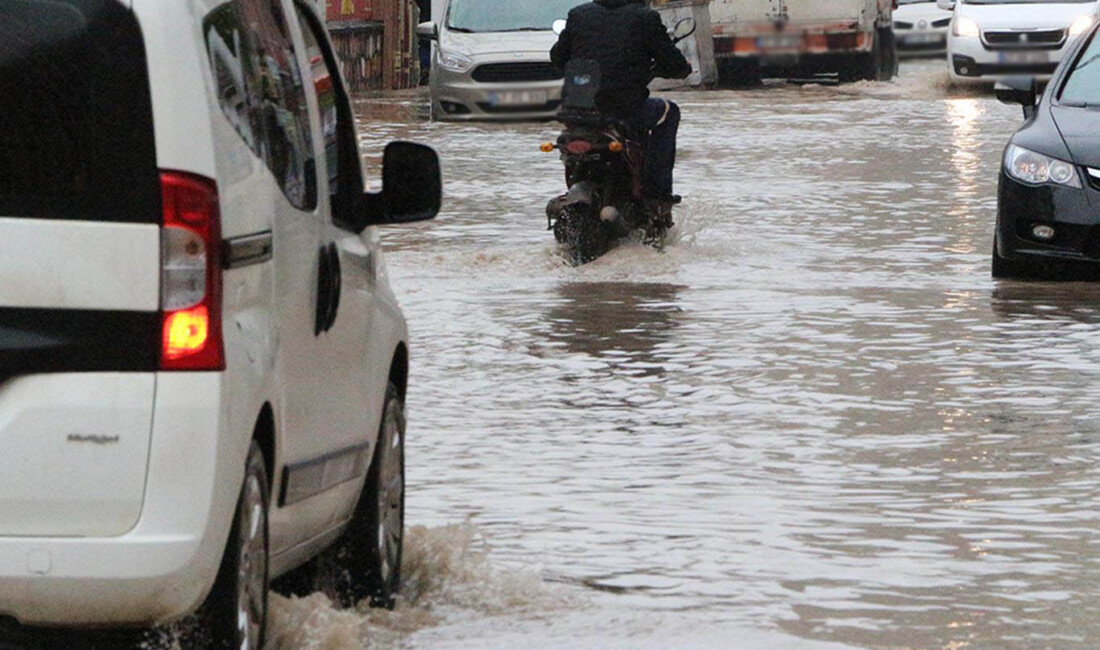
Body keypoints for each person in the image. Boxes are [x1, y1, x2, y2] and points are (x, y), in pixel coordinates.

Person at [550, 0, 691, 202]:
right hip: (625, 110)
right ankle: (659, 194)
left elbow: (557, 58)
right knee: (669, 112)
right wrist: (682, 69)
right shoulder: (646, 17)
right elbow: (672, 62)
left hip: (578, 112)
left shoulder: (578, 15)